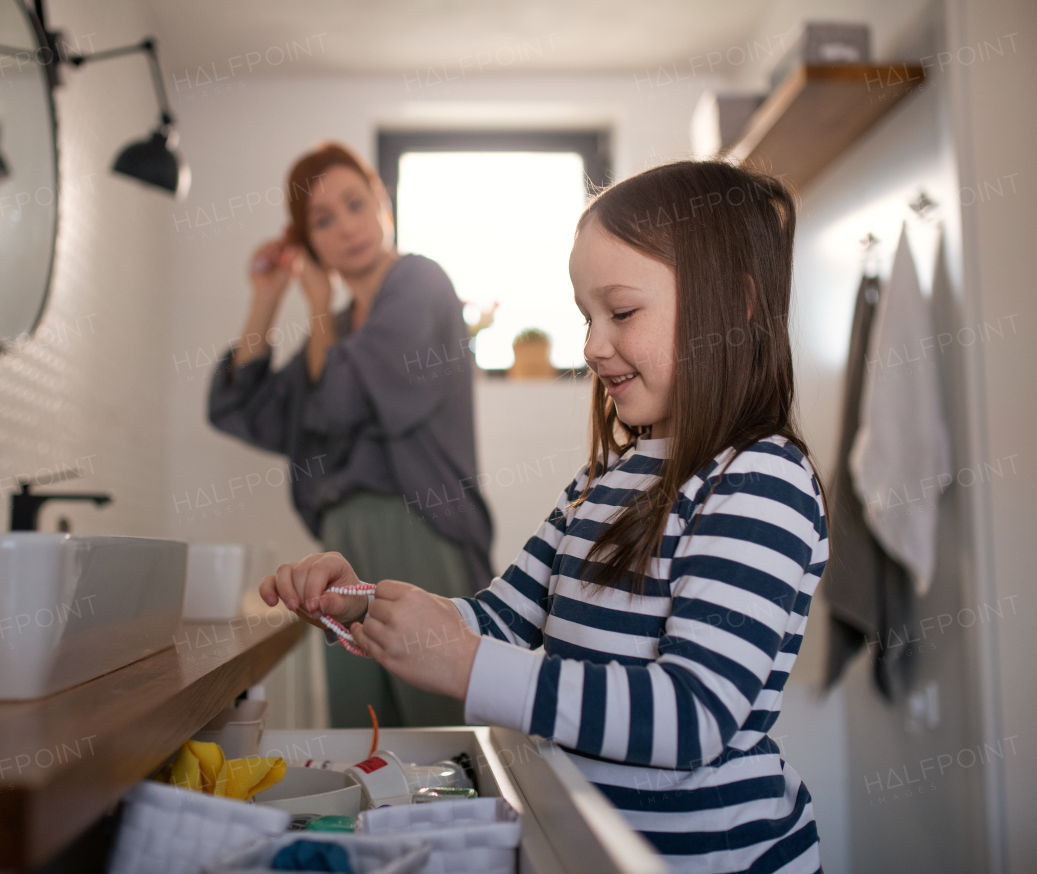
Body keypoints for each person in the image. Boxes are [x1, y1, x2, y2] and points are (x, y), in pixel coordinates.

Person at [257, 159, 829, 873]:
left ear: (737, 305)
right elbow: (497, 619)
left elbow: (692, 717)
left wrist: (469, 667)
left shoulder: (759, 480)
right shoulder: (603, 481)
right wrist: (365, 603)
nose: (592, 346)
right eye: (586, 317)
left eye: (620, 312)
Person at [207, 141, 493, 729]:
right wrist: (267, 298)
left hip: (417, 526)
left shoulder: (420, 281)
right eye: (323, 220)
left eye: (356, 204)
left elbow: (336, 403)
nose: (347, 228)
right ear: (307, 242)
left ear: (383, 203)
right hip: (341, 545)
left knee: (439, 731)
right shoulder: (334, 332)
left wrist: (316, 308)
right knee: (361, 732)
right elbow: (244, 408)